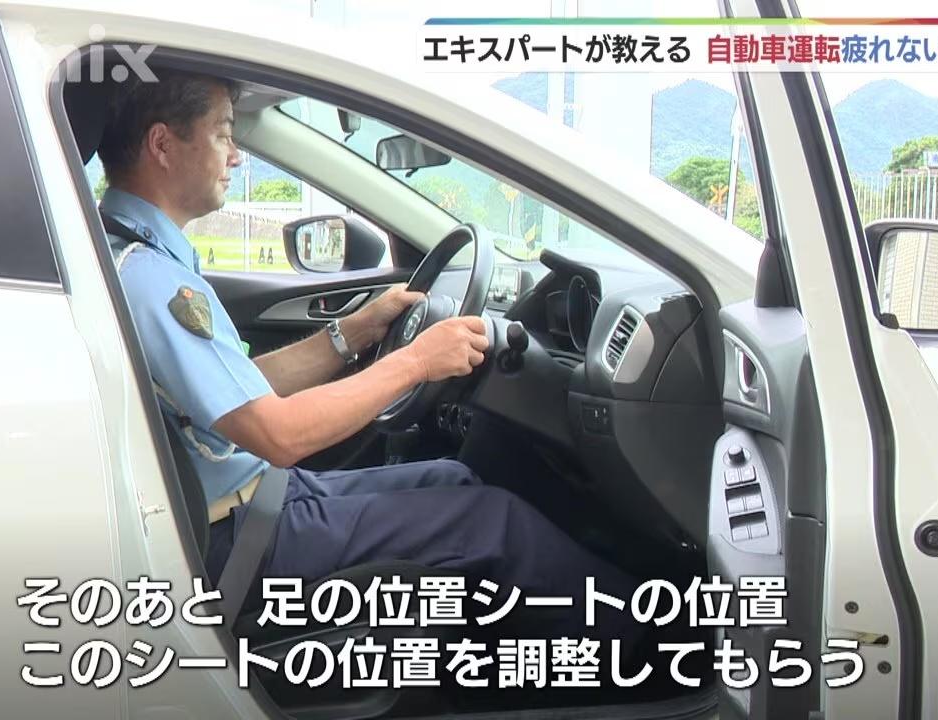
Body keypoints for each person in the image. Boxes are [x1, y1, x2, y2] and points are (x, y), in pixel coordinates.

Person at [94, 68, 645, 652]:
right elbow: (278, 435)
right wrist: (417, 361)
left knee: (453, 478)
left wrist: (354, 333)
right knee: (494, 522)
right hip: (242, 539)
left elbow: (241, 390)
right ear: (162, 145)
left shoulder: (134, 257)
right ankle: (654, 653)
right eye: (224, 134)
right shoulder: (152, 281)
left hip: (255, 499)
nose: (235, 156)